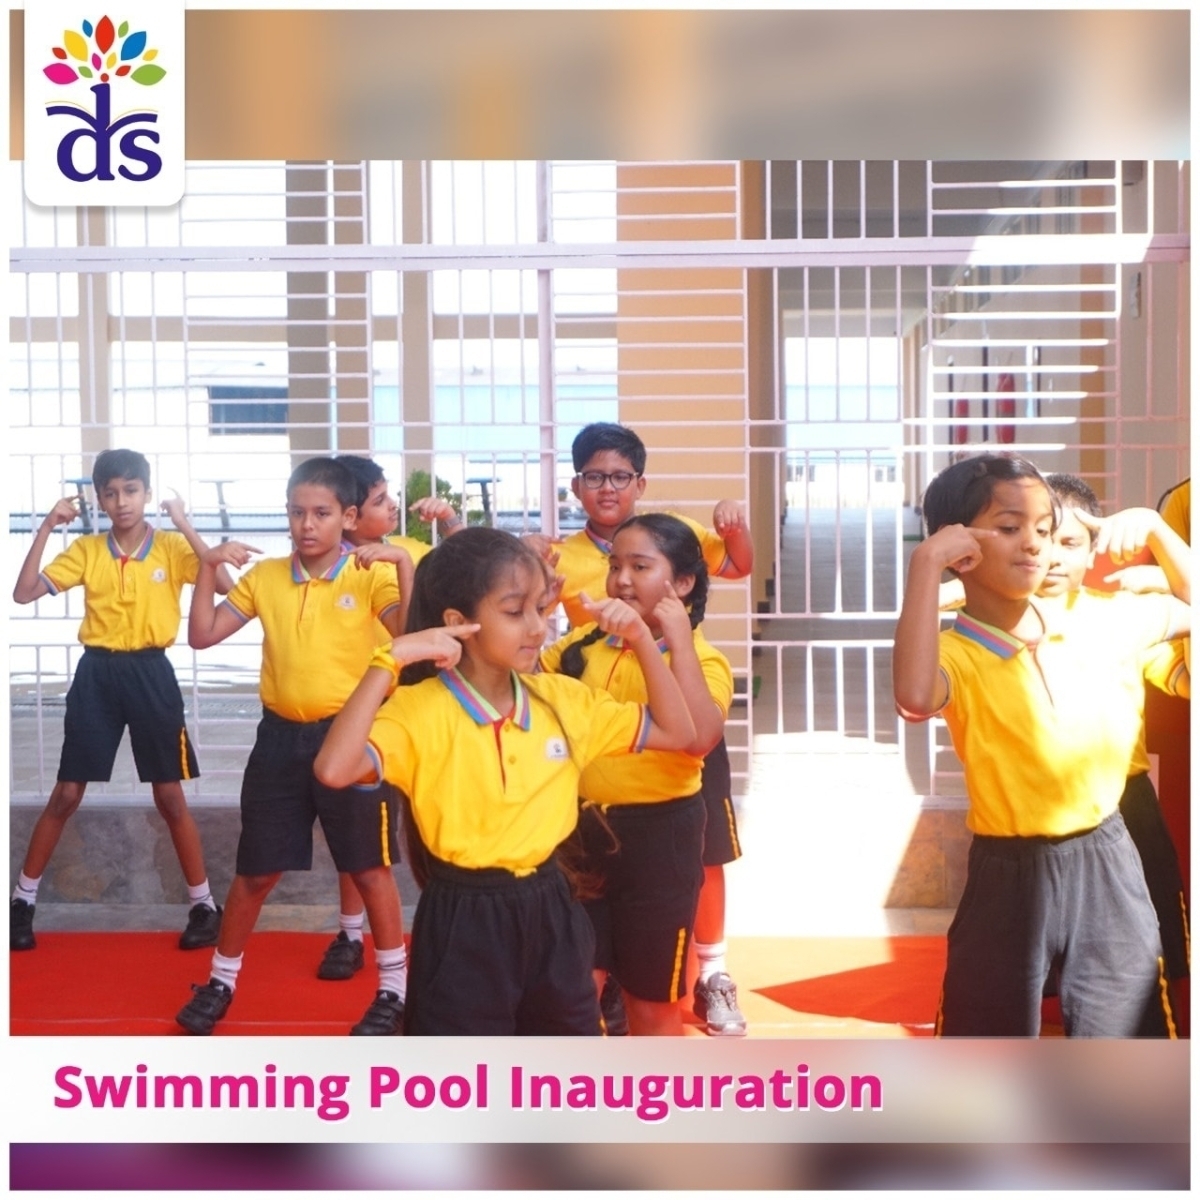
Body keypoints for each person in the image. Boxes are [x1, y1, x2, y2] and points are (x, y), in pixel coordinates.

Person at [313, 527, 696, 1035]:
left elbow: (678, 732)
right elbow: (334, 769)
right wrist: (389, 659)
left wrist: (643, 639)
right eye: (515, 612)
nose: (537, 627)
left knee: (562, 1063)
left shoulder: (562, 700)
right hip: (463, 918)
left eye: (540, 608)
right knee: (466, 1070)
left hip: (552, 906)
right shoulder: (419, 710)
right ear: (458, 623)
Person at [893, 452, 1189, 1037]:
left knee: (1124, 1050)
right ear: (958, 546)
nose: (1036, 545)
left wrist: (1158, 533)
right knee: (986, 1047)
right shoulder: (958, 653)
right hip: (1006, 874)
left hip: (1108, 860)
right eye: (1010, 527)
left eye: (1045, 529)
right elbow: (915, 697)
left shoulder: (1105, 620)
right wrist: (925, 568)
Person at [527, 421, 752, 1035]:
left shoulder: (702, 660)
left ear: (682, 583)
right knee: (572, 993)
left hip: (661, 839)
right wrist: (532, 602)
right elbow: (519, 678)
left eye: (640, 567)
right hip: (583, 831)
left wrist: (659, 637)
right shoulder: (581, 648)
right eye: (615, 566)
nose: (622, 579)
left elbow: (698, 738)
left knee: (653, 1001)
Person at [174, 457, 411, 1036]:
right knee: (255, 872)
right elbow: (202, 635)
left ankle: (394, 990)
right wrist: (207, 566)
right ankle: (221, 980)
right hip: (278, 739)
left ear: (348, 517)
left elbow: (408, 637)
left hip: (351, 738)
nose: (307, 524)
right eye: (297, 512)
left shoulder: (369, 575)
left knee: (369, 868)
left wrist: (404, 564)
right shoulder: (266, 577)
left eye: (322, 513)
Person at [11, 448, 227, 953]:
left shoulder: (170, 546)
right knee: (67, 793)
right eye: (110, 493)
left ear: (146, 493)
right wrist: (46, 526)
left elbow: (223, 583)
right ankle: (21, 901)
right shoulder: (88, 550)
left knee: (169, 796)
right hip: (97, 675)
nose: (122, 501)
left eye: (131, 490)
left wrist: (184, 523)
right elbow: (23, 593)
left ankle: (203, 905)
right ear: (99, 499)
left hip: (152, 674)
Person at [1038, 473, 1191, 1004]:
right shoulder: (988, 628)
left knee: (1146, 958)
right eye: (1041, 539)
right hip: (1031, 812)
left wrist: (1161, 546)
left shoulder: (1125, 619)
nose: (1053, 557)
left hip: (1125, 807)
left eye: (1069, 542)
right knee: (1024, 973)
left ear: (1092, 550)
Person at [311, 456, 464, 984]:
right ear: (350, 515)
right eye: (380, 500)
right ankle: (350, 933)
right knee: (358, 838)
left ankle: (444, 927)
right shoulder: (324, 564)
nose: (393, 506)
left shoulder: (409, 551)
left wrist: (451, 522)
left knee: (418, 825)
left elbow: (472, 566)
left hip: (413, 709)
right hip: (360, 715)